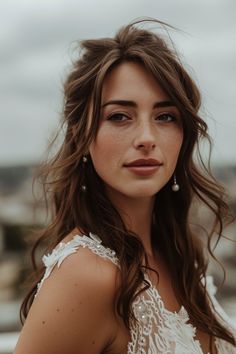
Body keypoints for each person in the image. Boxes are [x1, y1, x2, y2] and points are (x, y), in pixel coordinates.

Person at [14, 19, 236, 354]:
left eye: (165, 117)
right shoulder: (85, 276)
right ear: (82, 135)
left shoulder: (177, 254)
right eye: (119, 116)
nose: (147, 138)